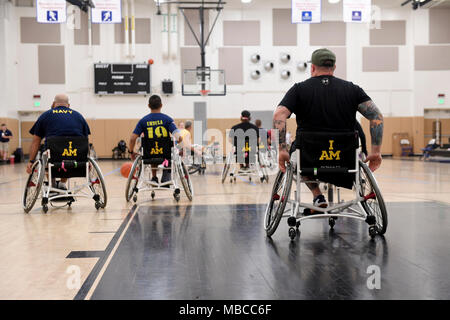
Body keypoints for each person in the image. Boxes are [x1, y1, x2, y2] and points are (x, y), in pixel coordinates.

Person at [273, 48, 384, 208]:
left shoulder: (299, 89)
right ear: (334, 67)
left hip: (309, 158)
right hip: (344, 158)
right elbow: (376, 117)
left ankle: (317, 195)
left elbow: (279, 115)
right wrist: (375, 152)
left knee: (298, 161)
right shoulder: (352, 89)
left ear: (312, 68)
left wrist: (282, 149)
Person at [26, 94, 91, 190]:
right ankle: (62, 183)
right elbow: (85, 141)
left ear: (53, 104)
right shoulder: (79, 116)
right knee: (68, 155)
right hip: (75, 156)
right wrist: (88, 159)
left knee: (48, 154)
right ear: (68, 105)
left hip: (54, 156)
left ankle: (52, 184)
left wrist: (31, 161)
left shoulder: (46, 115)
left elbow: (36, 141)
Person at [128, 95, 182, 185]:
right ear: (161, 105)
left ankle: (154, 177)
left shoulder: (143, 121)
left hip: (149, 154)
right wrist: (181, 145)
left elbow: (132, 139)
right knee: (166, 153)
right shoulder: (168, 119)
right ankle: (166, 177)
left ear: (149, 106)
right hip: (165, 153)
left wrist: (131, 152)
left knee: (152, 151)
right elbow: (178, 138)